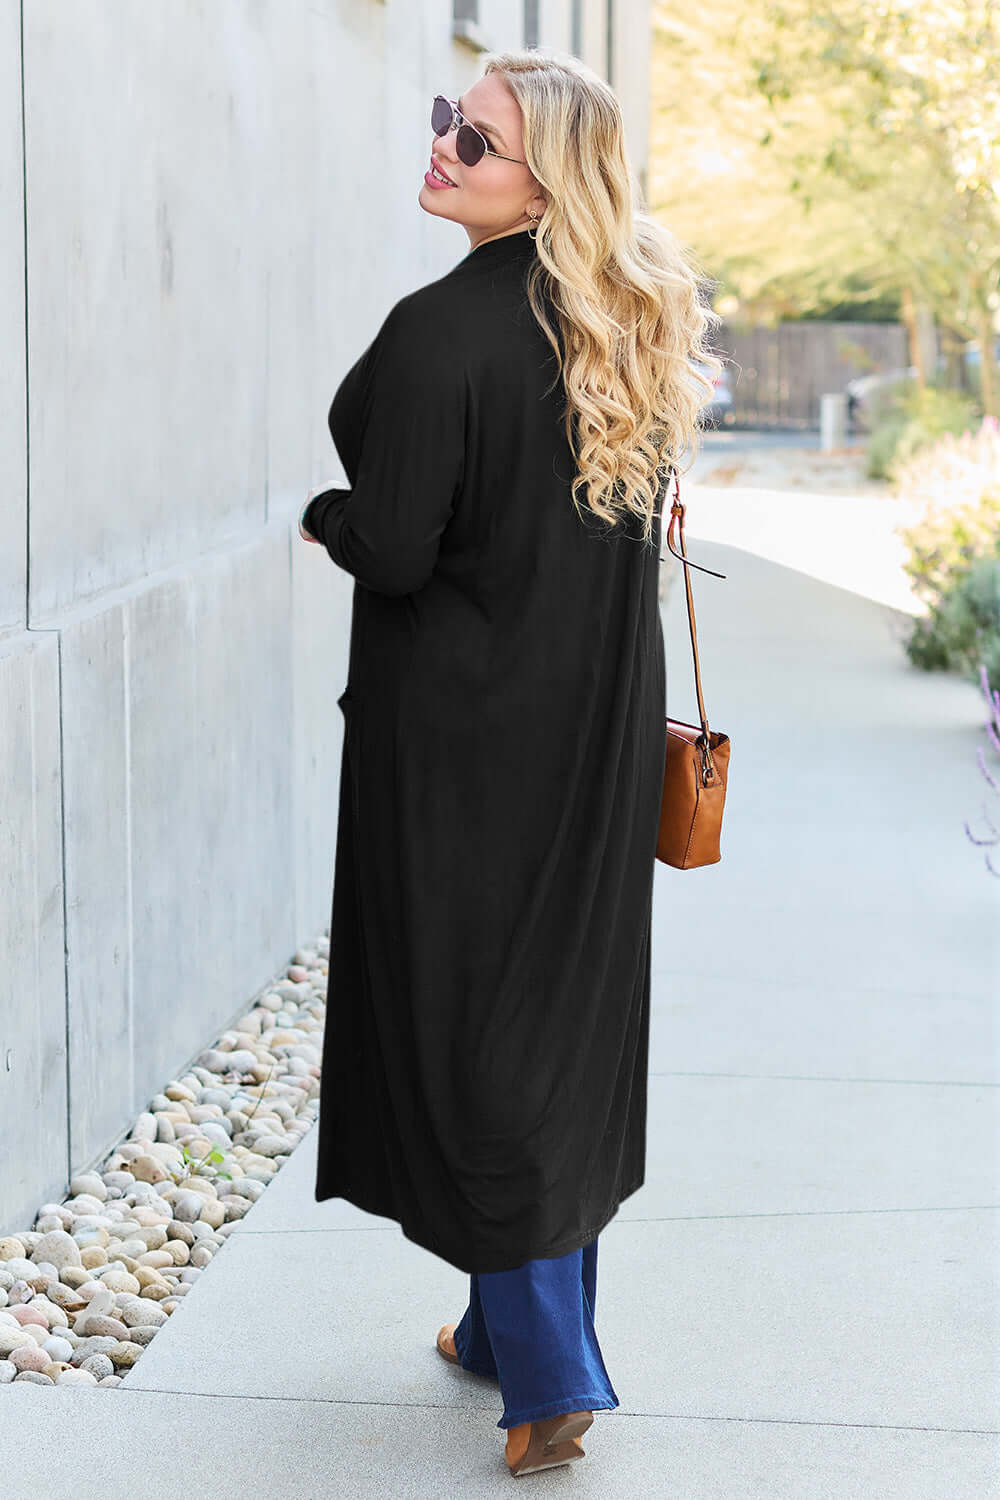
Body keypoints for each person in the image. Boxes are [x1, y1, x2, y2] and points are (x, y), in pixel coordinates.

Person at [299, 47, 720, 1479]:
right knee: (554, 1017)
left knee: (475, 1031)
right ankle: (498, 1329)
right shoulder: (628, 320)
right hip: (592, 733)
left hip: (467, 743)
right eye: (445, 124)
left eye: (472, 141)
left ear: (546, 180)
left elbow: (401, 542)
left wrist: (324, 517)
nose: (442, 149)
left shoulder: (442, 330)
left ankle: (547, 1374)